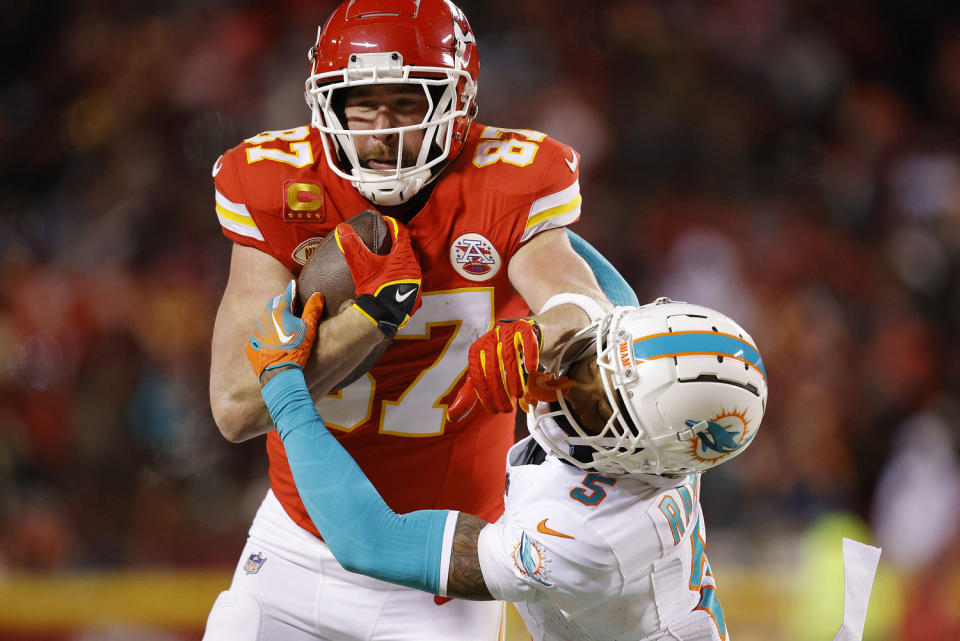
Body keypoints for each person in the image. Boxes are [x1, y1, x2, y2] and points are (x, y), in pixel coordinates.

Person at [205, 1, 626, 638]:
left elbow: (582, 304)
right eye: (360, 103)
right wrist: (372, 318)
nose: (381, 129)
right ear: (326, 105)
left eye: (406, 102)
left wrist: (541, 335)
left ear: (458, 102)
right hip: (297, 539)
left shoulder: (504, 183)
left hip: (446, 561)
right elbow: (235, 406)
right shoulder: (279, 184)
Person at [245, 290, 769, 641]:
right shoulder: (671, 435)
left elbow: (370, 541)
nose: (568, 383)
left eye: (599, 404)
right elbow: (601, 291)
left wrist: (285, 392)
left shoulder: (584, 537)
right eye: (590, 358)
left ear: (643, 451)